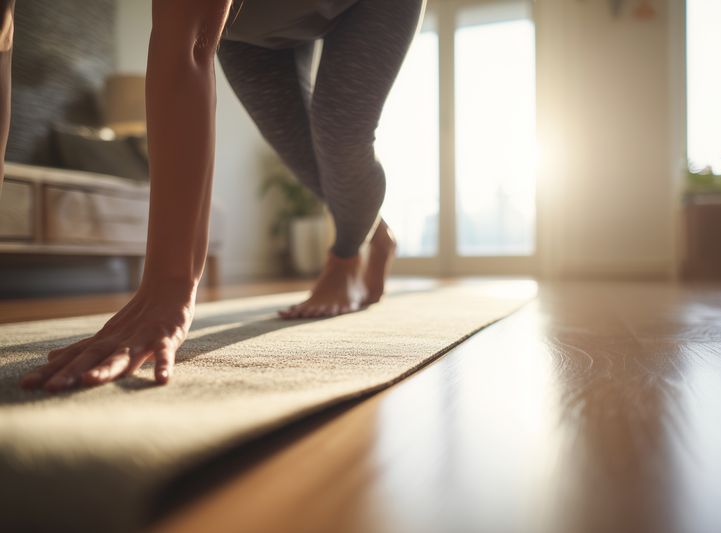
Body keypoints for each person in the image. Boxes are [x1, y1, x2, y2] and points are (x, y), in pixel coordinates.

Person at [6, 0, 425, 392]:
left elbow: (185, 46)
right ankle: (376, 229)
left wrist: (168, 288)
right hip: (249, 29)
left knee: (338, 139)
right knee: (302, 157)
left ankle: (346, 256)